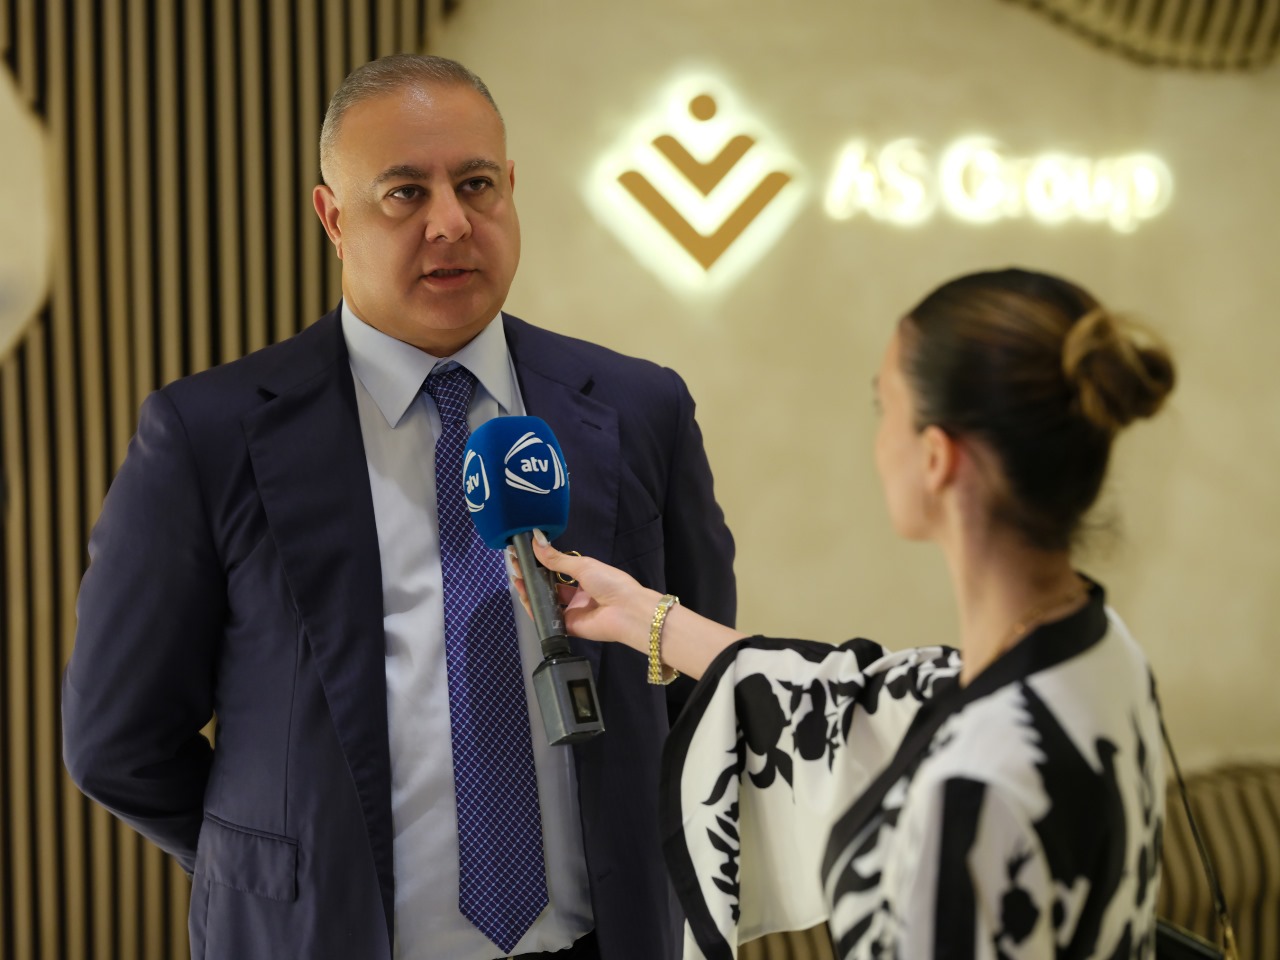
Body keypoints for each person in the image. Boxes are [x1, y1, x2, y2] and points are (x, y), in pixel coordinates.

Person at [62, 54, 735, 960]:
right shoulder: (208, 435)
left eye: (477, 185)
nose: (451, 222)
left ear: (511, 190)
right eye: (405, 193)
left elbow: (699, 683)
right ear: (333, 218)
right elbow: (118, 742)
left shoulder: (637, 408)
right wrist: (283, 869)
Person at [517, 268, 1175, 959]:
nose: (878, 437)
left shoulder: (973, 796)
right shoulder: (1098, 653)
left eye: (883, 405)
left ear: (935, 458)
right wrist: (640, 615)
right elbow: (859, 703)